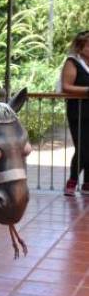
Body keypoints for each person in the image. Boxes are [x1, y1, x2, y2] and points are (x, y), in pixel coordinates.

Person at [61, 30, 89, 196]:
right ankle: (72, 181)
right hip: (78, 111)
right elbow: (66, 86)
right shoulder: (72, 62)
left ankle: (87, 183)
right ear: (80, 47)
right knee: (83, 148)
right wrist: (87, 90)